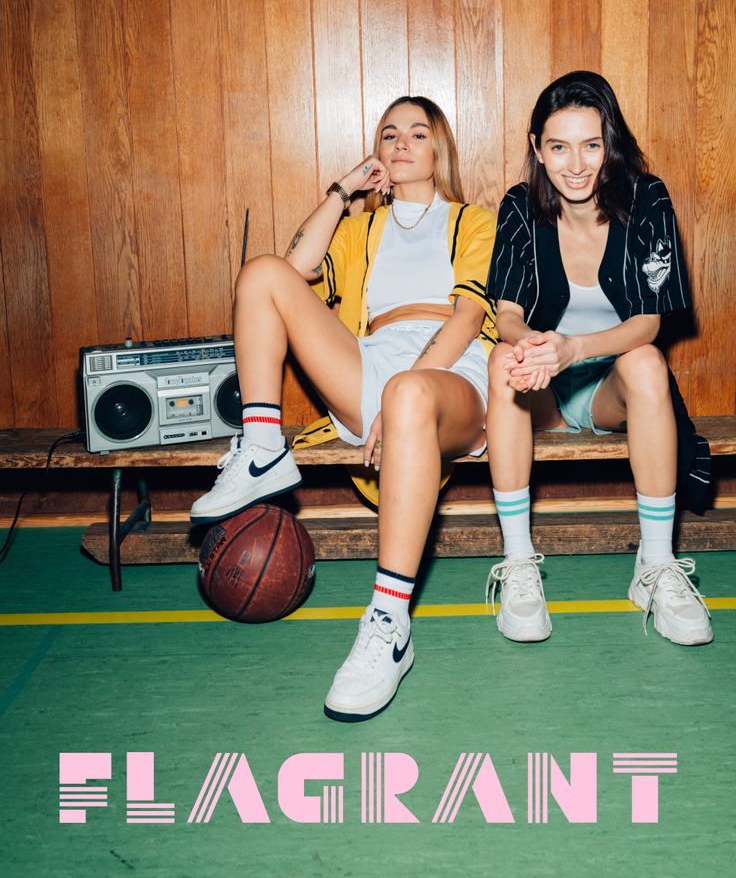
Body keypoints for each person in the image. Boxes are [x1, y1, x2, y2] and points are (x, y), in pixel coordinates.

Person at [191, 96, 498, 718]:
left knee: (408, 393)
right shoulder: (360, 230)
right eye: (390, 135)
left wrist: (402, 392)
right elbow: (296, 267)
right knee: (260, 274)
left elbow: (468, 316)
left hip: (451, 365)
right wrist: (343, 190)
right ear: (378, 152)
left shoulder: (475, 221)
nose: (402, 143)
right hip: (372, 357)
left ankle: (388, 625)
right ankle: (259, 450)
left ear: (440, 149)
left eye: (418, 133)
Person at [484, 70, 712, 647]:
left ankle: (655, 567)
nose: (577, 164)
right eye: (559, 147)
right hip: (543, 390)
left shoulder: (647, 197)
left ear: (612, 143)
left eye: (592, 144)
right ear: (537, 148)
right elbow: (506, 312)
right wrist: (532, 345)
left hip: (607, 385)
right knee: (499, 359)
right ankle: (518, 566)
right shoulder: (519, 205)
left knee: (647, 361)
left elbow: (649, 323)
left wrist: (574, 349)